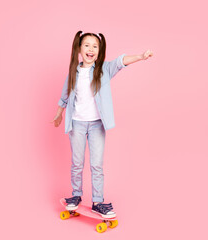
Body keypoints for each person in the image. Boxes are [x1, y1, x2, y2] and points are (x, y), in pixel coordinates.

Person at [51, 30, 153, 218]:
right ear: (79, 49)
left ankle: (98, 201)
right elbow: (64, 96)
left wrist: (140, 56)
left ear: (99, 50)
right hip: (77, 125)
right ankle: (76, 196)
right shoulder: (73, 72)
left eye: (95, 46)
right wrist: (58, 115)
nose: (91, 49)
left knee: (97, 165)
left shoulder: (103, 70)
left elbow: (120, 62)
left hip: (97, 125)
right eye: (87, 45)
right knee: (77, 163)